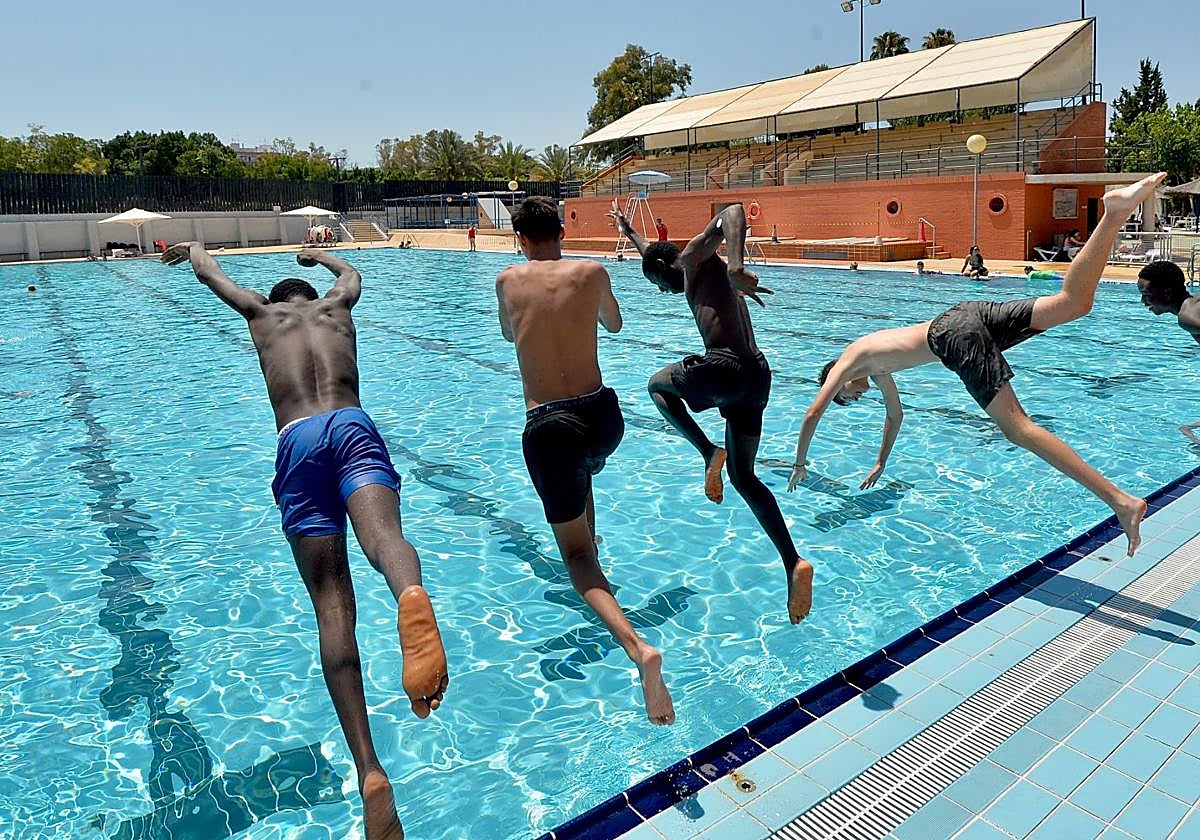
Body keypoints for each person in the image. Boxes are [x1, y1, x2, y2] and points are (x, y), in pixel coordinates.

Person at [161, 242, 448, 840]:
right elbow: (353, 273)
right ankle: (410, 595)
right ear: (313, 301)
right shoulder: (337, 308)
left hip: (297, 442)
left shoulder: (261, 317)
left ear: (273, 304)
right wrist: (321, 259)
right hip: (350, 423)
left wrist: (191, 249)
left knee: (332, 604)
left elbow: (210, 272)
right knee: (385, 538)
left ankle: (370, 769)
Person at [788, 173, 1166, 558]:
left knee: (1019, 429)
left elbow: (812, 412)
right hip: (965, 315)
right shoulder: (875, 365)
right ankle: (1114, 213)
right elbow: (895, 416)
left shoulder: (850, 359)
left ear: (839, 385)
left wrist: (800, 463)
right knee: (1073, 303)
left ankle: (1121, 502)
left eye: (847, 399)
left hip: (953, 336)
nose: (854, 397)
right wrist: (881, 462)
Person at [496, 196, 675, 725]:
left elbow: (510, 335)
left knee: (576, 561)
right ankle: (592, 535)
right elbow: (615, 325)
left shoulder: (508, 281)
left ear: (521, 238)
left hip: (550, 426)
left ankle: (639, 650)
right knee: (582, 469)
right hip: (604, 421)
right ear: (560, 231)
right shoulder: (593, 271)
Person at [609, 199, 814, 625]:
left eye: (658, 285)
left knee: (656, 388)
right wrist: (629, 232)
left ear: (667, 271)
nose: (664, 293)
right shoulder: (687, 261)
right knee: (744, 478)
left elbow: (731, 212)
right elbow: (655, 250)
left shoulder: (690, 261)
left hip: (723, 366)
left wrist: (737, 264)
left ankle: (707, 452)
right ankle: (793, 562)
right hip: (757, 376)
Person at [1136, 259, 1200, 344]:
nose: (1142, 301)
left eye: (1146, 295)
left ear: (1167, 293)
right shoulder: (1195, 302)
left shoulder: (1187, 317)